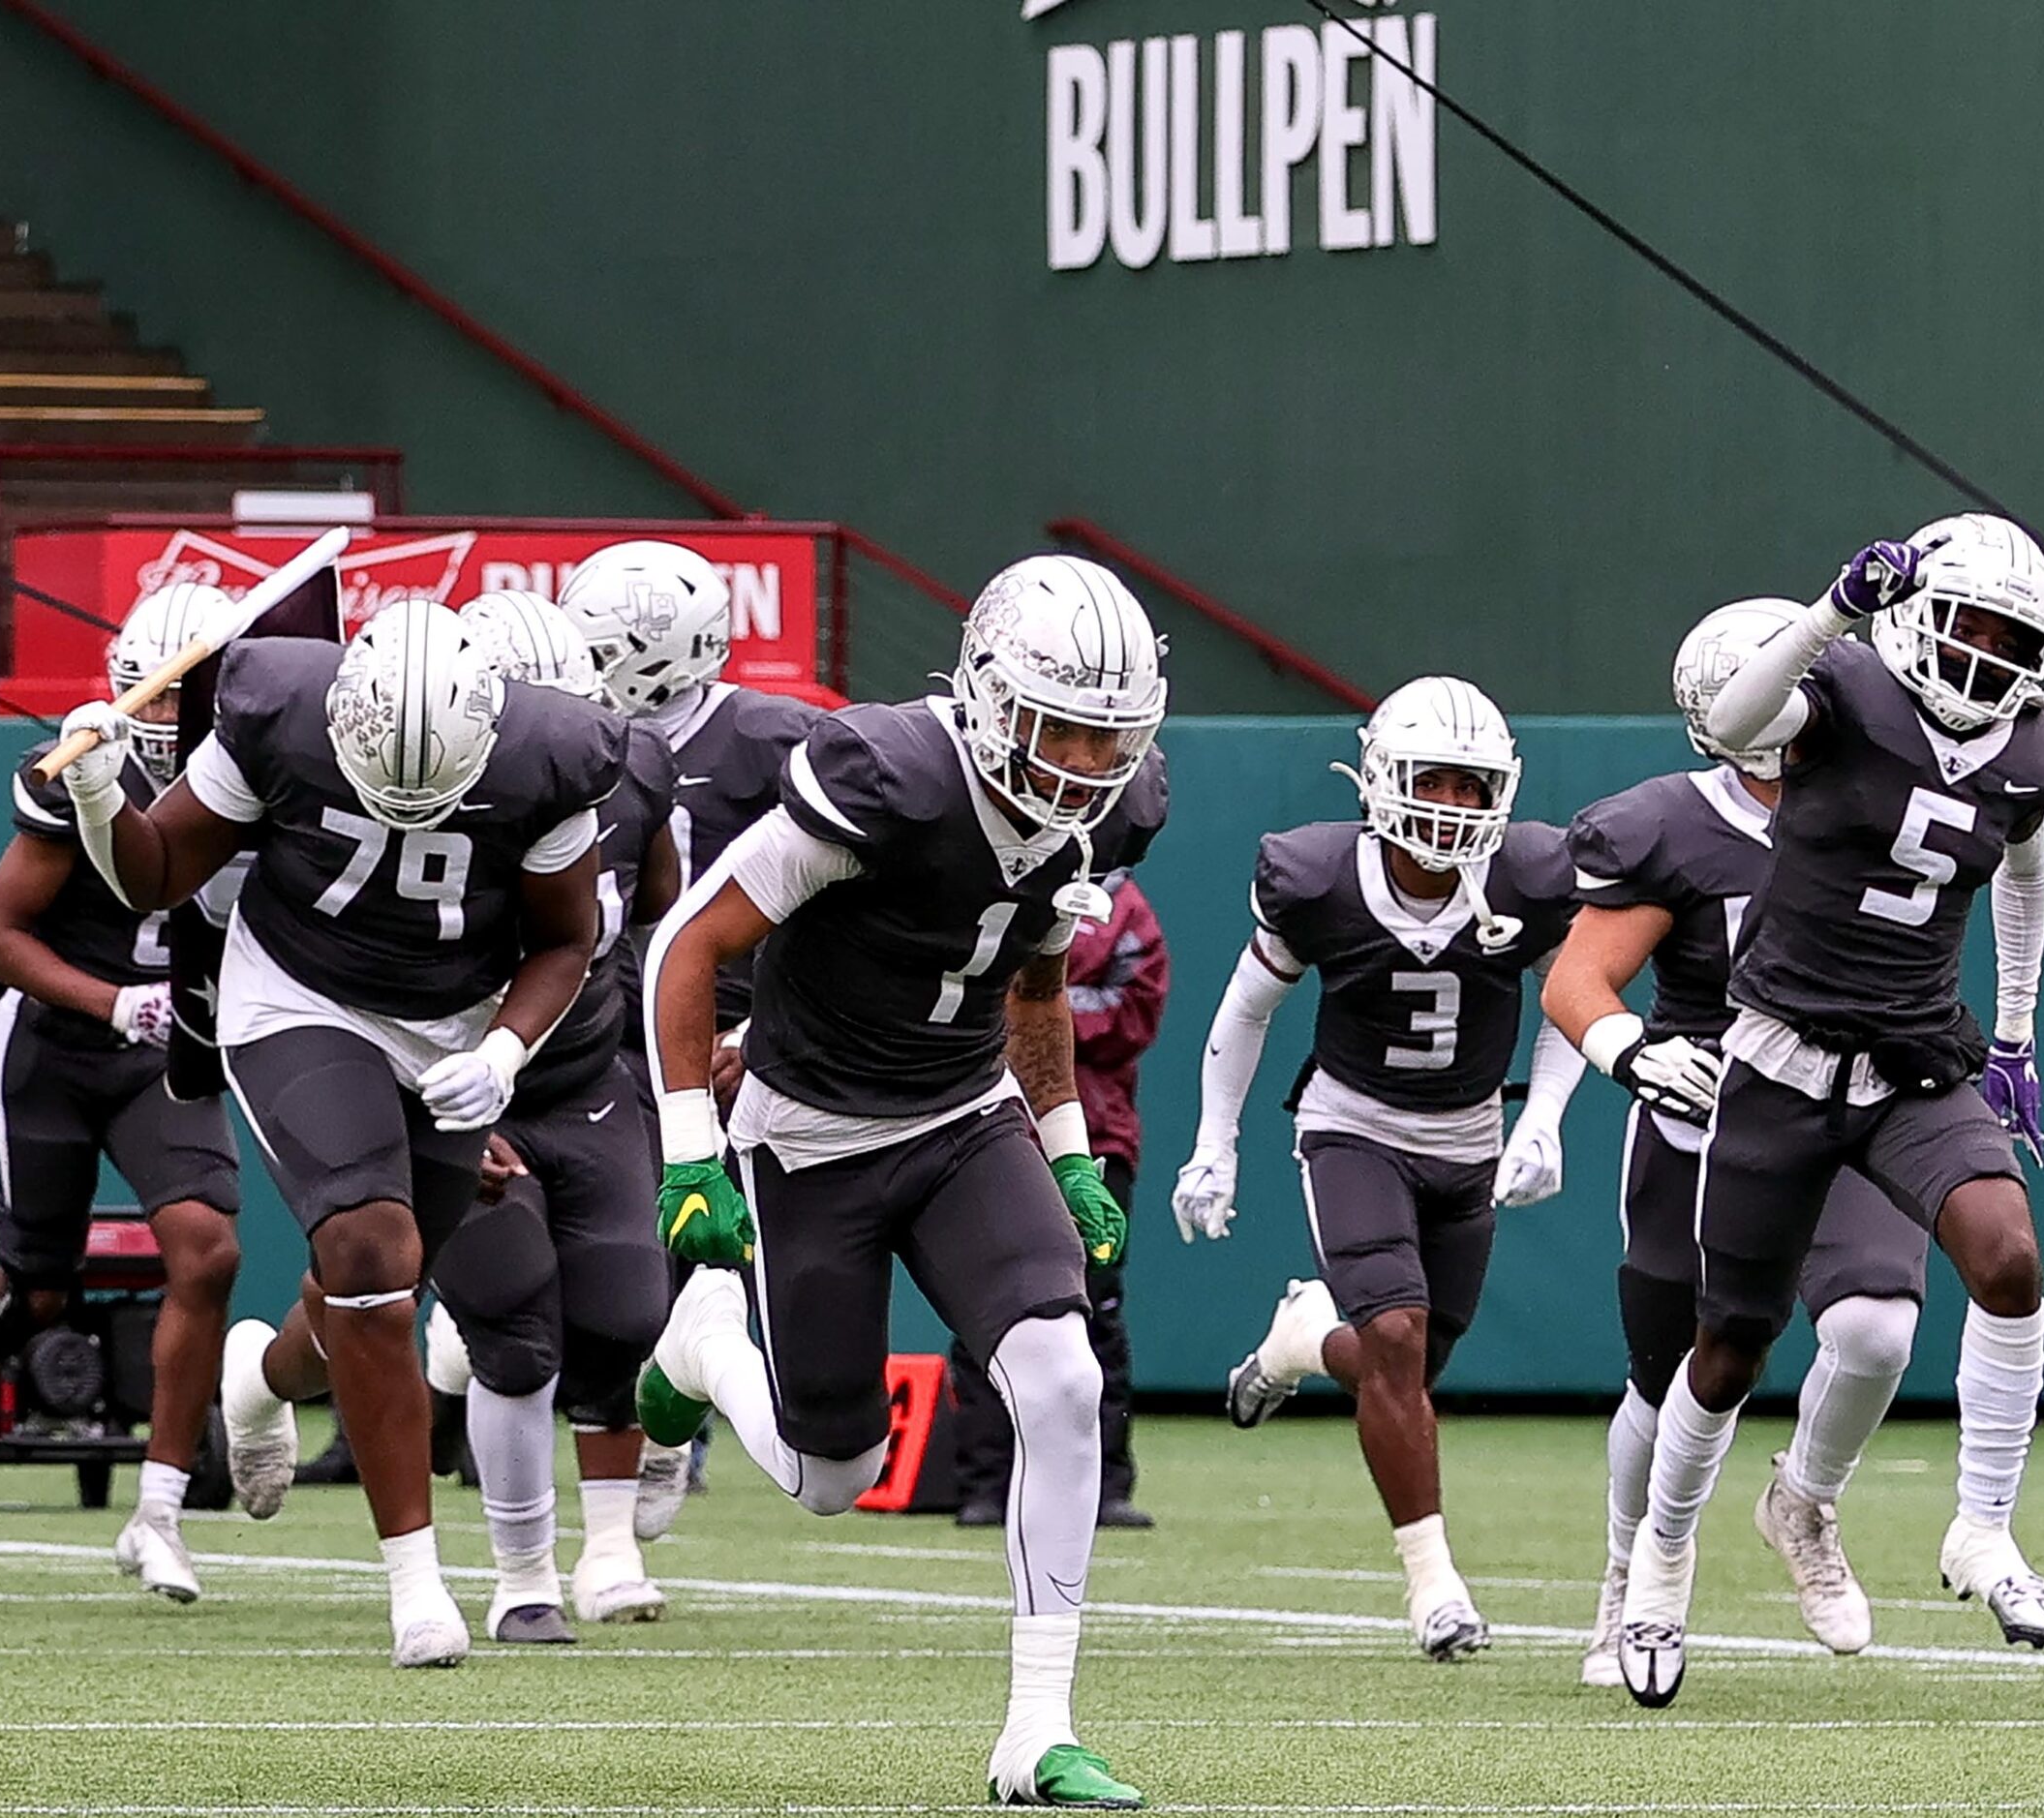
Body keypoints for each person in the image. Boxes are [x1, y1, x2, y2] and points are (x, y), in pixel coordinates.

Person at [1543, 593, 2044, 1682]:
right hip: (1733, 1081)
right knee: (1695, 1359)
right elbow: (1578, 977)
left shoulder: (1927, 743)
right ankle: (1643, 1567)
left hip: (1900, 1063)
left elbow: (2036, 805)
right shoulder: (1695, 805)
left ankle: (1853, 1511)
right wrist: (1624, 1054)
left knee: (1918, 1306)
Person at [634, 553, 1167, 1807]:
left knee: (1062, 1373)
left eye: (1108, 741)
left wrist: (1069, 1146)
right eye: (1059, 732)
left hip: (963, 1118)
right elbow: (688, 938)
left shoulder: (1104, 809)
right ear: (987, 694)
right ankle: (704, 1346)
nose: (1083, 766)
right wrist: (688, 1155)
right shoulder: (884, 779)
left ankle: (1037, 1730)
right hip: (809, 1133)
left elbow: (1032, 986)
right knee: (832, 1477)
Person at [52, 597, 621, 1669]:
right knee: (371, 1250)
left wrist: (502, 1052)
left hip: (451, 1020)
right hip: (299, 995)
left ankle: (262, 1379)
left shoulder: (555, 751)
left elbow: (564, 937)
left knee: (365, 1296)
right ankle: (416, 1583)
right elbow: (160, 873)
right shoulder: (280, 707)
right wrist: (96, 800)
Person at [1172, 677, 1584, 1663]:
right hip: (1351, 1125)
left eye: (1471, 787)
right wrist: (1212, 1141)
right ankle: (1433, 1588)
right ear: (1381, 780)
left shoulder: (1528, 877)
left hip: (1469, 1135)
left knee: (1406, 1368)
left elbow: (1576, 992)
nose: (1450, 806)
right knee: (1395, 1340)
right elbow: (1243, 1010)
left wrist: (1549, 1119)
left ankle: (1302, 1340)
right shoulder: (1316, 877)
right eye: (1431, 781)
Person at [0, 587, 245, 1601]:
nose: (171, 718)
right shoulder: (78, 777)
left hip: (161, 1047)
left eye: (194, 694)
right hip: (53, 1040)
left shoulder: (257, 777)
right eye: (161, 696)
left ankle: (158, 1512)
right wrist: (112, 1004)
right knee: (38, 1288)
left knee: (209, 1249)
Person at [412, 589, 681, 1641]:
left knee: (623, 1314)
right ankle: (520, 1573)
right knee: (519, 1335)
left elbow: (658, 911)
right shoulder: (422, 797)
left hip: (584, 1077)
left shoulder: (634, 768)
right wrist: (433, 1096)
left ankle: (605, 1548)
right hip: (452, 1081)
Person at [557, 539, 817, 1536]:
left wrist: (760, 1028)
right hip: (606, 1031)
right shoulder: (576, 736)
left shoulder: (769, 740)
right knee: (623, 1249)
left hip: (746, 1035)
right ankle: (635, 1414)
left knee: (725, 1250)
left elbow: (826, 892)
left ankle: (675, 1420)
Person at [952, 868, 1169, 1530]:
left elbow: (1133, 1015)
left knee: (1094, 1306)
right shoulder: (988, 878)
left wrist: (1038, 1007)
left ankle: (1104, 1481)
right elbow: (962, 997)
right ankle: (987, 1482)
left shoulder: (1125, 907)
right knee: (980, 1311)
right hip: (983, 1130)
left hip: (1096, 1134)